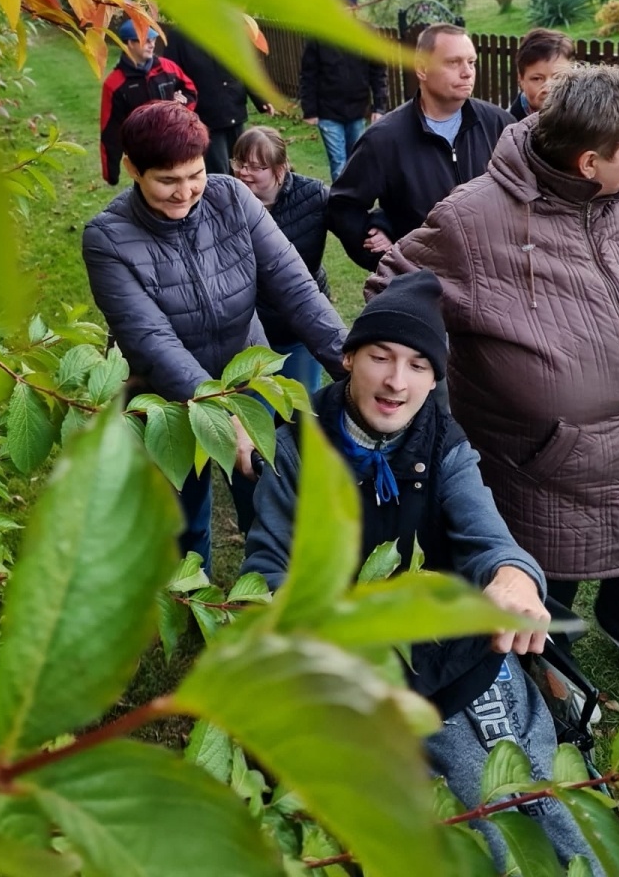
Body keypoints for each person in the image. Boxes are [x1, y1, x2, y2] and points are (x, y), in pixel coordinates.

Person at [242, 273, 600, 873]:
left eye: (416, 365)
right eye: (380, 357)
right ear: (348, 357)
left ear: (435, 379)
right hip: (352, 662)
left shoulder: (445, 444)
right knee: (436, 819)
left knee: (525, 792)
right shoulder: (294, 448)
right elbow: (265, 566)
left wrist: (513, 574)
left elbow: (486, 535)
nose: (395, 381)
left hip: (457, 653)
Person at [366, 65, 619, 659]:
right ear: (589, 162)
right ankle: (551, 687)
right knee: (542, 599)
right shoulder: (474, 220)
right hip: (540, 466)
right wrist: (417, 378)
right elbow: (392, 291)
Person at [83, 101, 347, 572]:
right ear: (132, 170)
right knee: (182, 517)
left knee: (267, 499)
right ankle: (195, 607)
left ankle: (272, 598)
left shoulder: (230, 197)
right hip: (164, 403)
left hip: (248, 379)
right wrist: (224, 419)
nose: (186, 193)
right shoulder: (107, 238)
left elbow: (295, 286)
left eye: (195, 174)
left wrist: (348, 365)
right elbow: (152, 343)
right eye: (167, 180)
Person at [327, 23, 513, 270]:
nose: (467, 72)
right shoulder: (384, 140)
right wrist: (385, 253)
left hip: (496, 274)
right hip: (426, 284)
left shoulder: (500, 125)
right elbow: (343, 207)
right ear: (422, 69)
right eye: (453, 62)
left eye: (472, 62)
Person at [231, 126, 330, 394]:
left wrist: (378, 227)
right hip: (250, 332)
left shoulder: (314, 195)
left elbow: (353, 218)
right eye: (239, 163)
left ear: (281, 168)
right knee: (255, 408)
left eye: (256, 167)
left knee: (303, 407)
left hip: (298, 326)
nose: (243, 172)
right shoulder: (225, 202)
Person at [299, 0, 389, 181]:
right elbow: (309, 75)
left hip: (358, 110)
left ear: (354, 7)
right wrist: (310, 110)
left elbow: (378, 72)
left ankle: (358, 201)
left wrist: (379, 107)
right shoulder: (319, 36)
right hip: (328, 112)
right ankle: (341, 206)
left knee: (357, 159)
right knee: (338, 163)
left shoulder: (366, 33)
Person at [161, 24, 276, 174]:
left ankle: (242, 197)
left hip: (234, 110)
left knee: (243, 167)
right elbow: (171, 75)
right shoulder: (179, 37)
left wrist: (260, 99)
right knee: (219, 172)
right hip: (206, 118)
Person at [100, 19, 197, 186]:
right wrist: (111, 174)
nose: (152, 44)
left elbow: (190, 90)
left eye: (153, 40)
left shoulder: (168, 68)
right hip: (144, 155)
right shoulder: (115, 84)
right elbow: (110, 131)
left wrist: (181, 107)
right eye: (146, 40)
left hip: (176, 144)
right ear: (130, 43)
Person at [509, 28, 574, 121]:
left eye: (559, 77)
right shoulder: (505, 126)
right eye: (537, 79)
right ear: (521, 79)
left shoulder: (589, 122)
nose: (548, 89)